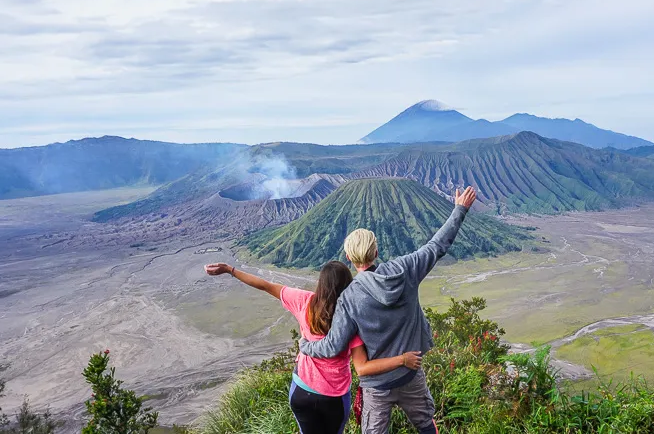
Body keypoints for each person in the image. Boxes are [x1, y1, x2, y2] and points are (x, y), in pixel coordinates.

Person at [299, 186, 478, 434]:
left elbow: (333, 346)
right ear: (376, 252)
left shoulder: (349, 299)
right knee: (427, 425)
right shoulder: (405, 270)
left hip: (377, 386)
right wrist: (460, 209)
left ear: (349, 258)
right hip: (410, 373)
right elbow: (437, 245)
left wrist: (306, 346)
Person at [204, 260, 422, 434]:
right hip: (334, 397)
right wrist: (402, 359)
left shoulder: (304, 301)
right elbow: (362, 367)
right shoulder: (352, 317)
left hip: (301, 390)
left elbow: (265, 285)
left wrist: (230, 269)